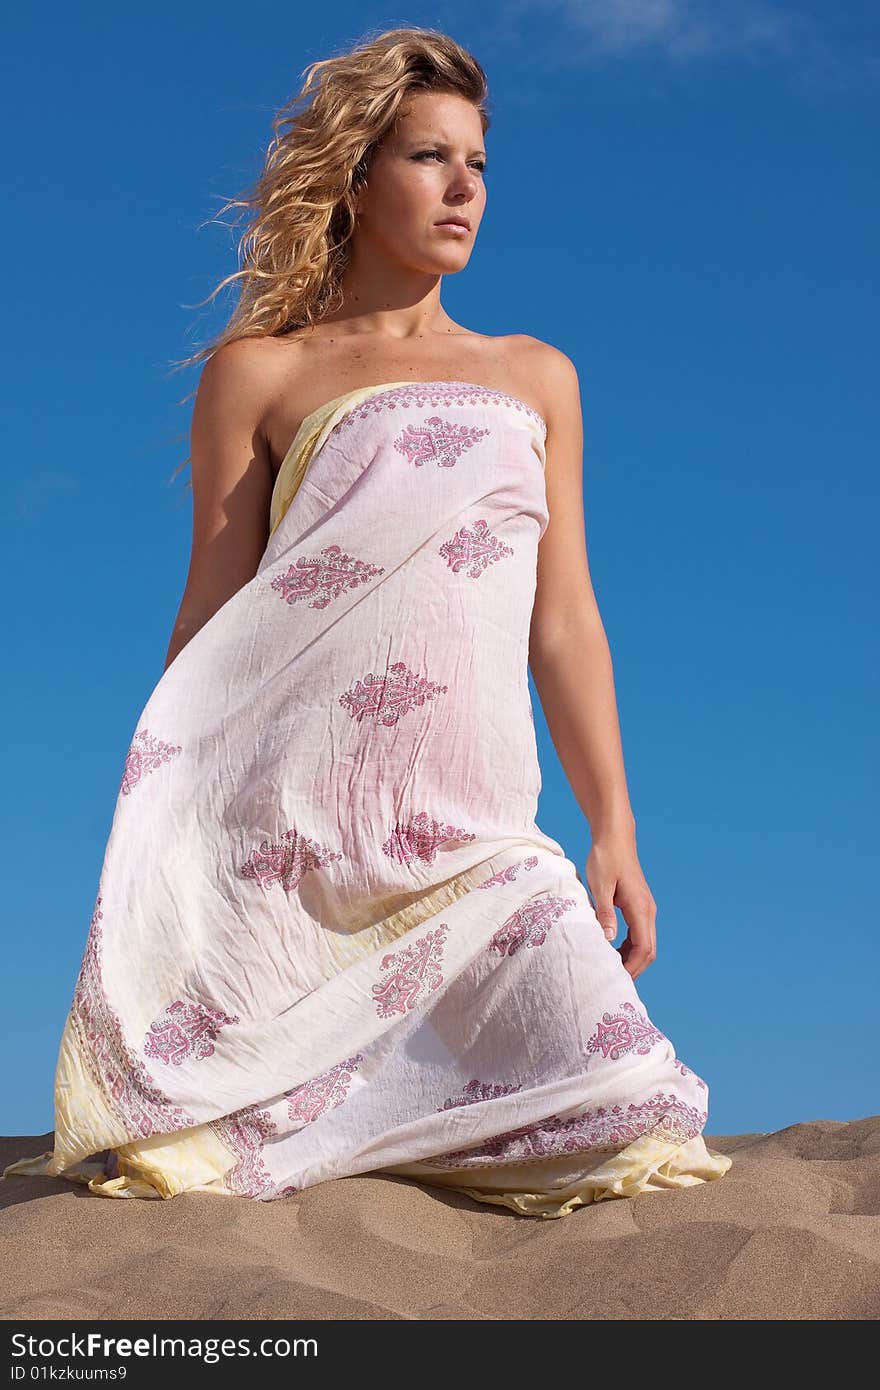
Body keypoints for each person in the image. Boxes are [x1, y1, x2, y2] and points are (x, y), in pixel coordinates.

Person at [2, 26, 731, 1217]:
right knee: (196, 1151)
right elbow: (217, 612)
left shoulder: (534, 374)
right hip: (299, 827)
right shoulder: (261, 373)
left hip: (478, 836)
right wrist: (169, 818)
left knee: (632, 1107)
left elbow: (564, 619)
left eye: (478, 165)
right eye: (429, 158)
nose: (462, 190)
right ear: (354, 178)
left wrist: (614, 827)